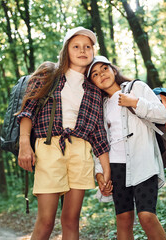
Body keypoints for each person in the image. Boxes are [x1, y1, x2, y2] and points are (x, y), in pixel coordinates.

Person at [17, 27, 110, 240]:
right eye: (76, 46)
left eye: (88, 47)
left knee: (71, 220)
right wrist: (25, 144)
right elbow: (27, 111)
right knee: (46, 220)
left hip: (81, 150)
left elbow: (98, 133)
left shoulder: (94, 87)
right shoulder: (49, 74)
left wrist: (106, 170)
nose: (82, 50)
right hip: (49, 147)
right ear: (66, 50)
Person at [88, 56, 166, 240]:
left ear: (113, 70)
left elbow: (162, 115)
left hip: (143, 161)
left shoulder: (136, 87)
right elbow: (99, 142)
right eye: (95, 74)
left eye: (104, 69)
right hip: (116, 168)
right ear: (93, 83)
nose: (102, 75)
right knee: (123, 220)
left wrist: (134, 102)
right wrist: (100, 174)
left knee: (146, 216)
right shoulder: (100, 107)